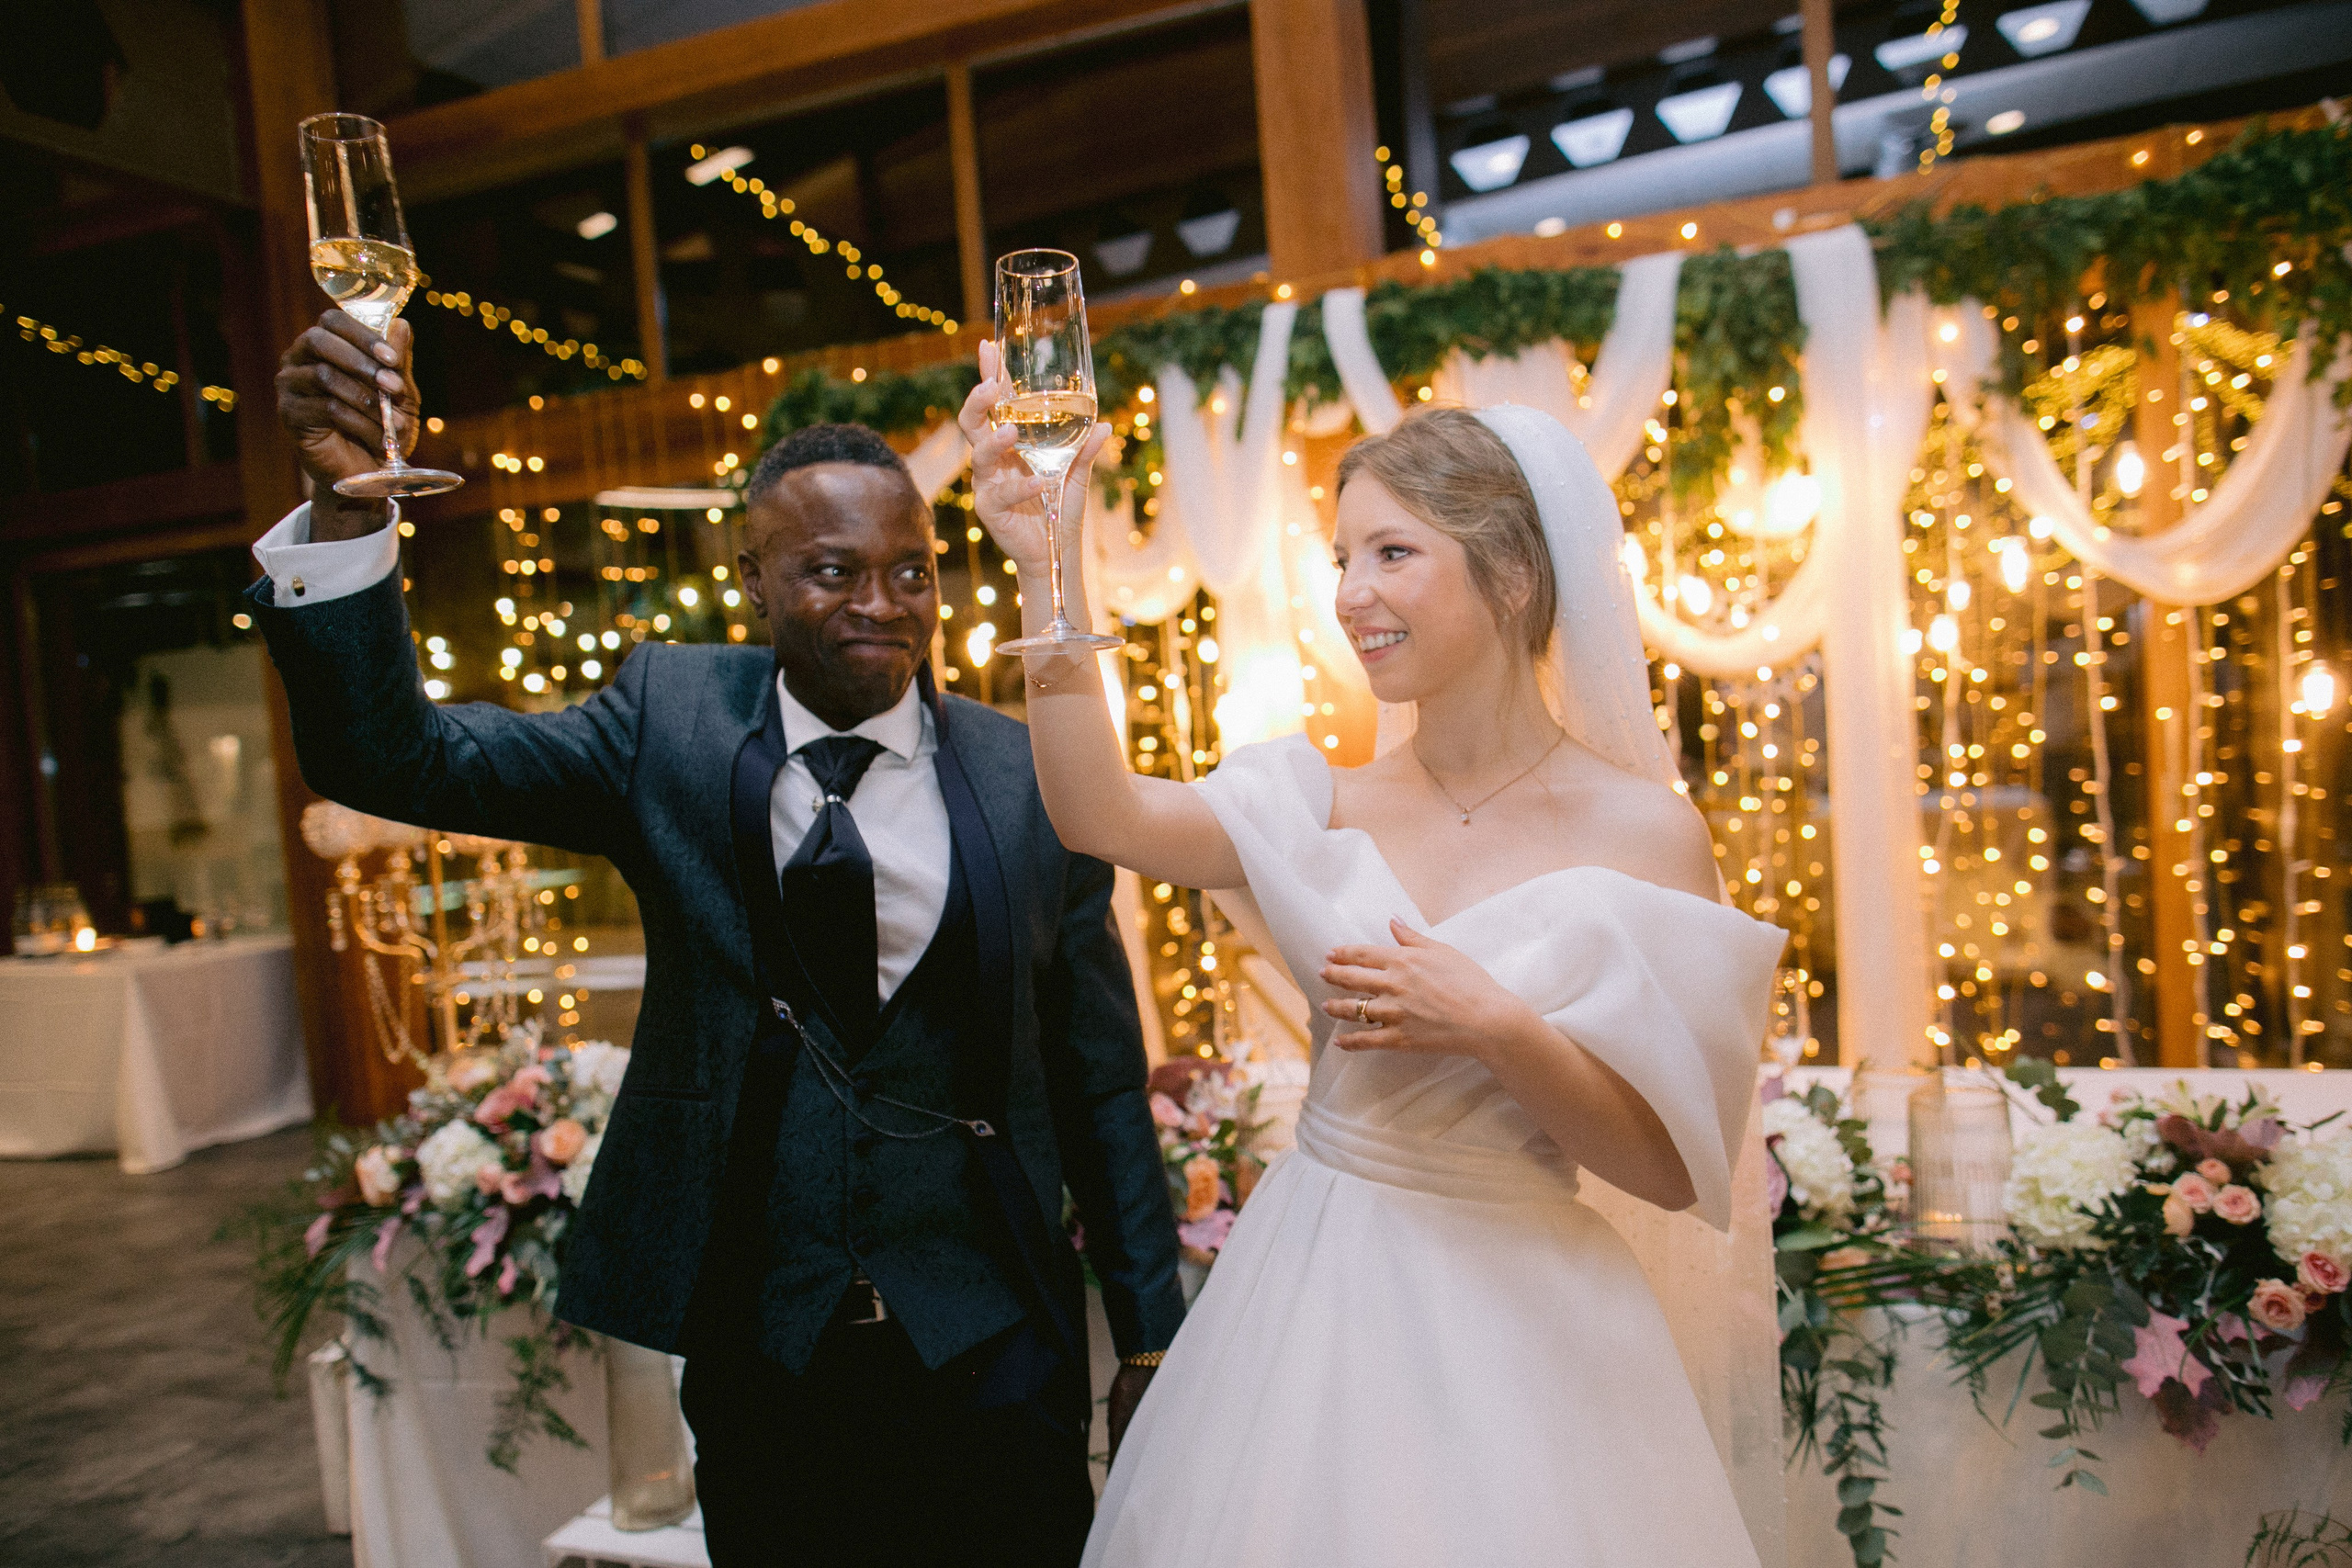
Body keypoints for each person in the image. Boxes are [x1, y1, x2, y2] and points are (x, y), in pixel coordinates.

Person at [255, 310, 1186, 1568]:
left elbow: (1100, 1079)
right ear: (753, 579)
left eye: (912, 572)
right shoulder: (669, 724)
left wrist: (1149, 1338)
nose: (883, 605)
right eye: (834, 572)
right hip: (765, 1354)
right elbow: (391, 757)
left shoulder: (1032, 776)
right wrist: (348, 509)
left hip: (996, 1351)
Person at [960, 355, 1787, 1566]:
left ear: (1513, 574)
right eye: (1343, 557)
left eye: (1393, 553)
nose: (1352, 595)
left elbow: (1669, 1171)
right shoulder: (1320, 802)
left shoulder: (1648, 836)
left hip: (1528, 1331)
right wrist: (1047, 564)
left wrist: (1499, 1027)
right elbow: (1099, 815)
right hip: (1314, 1300)